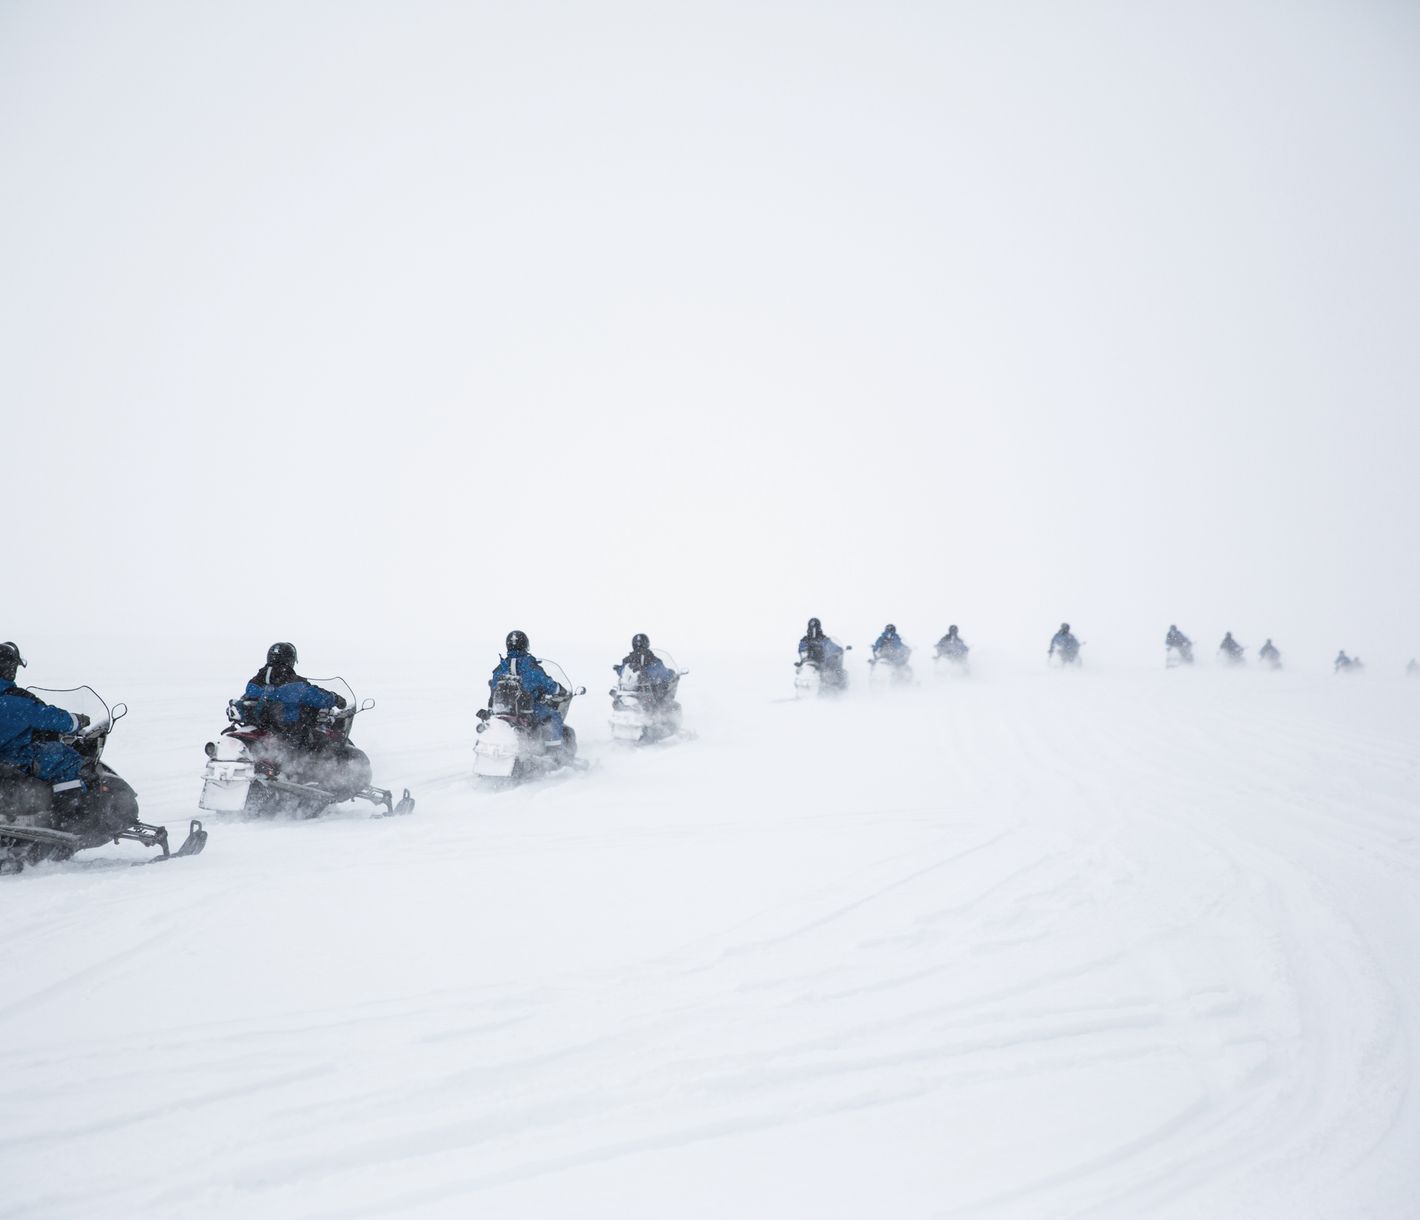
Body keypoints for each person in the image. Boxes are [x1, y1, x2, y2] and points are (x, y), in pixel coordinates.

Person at [0, 642, 90, 787]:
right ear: (8, 669)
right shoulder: (15, 700)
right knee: (65, 756)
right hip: (13, 757)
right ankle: (70, 806)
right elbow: (50, 717)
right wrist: (76, 721)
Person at [239, 642, 346, 748]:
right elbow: (317, 697)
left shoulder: (255, 681)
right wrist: (335, 698)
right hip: (288, 733)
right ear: (290, 659)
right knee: (322, 743)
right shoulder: (293, 682)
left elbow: (252, 696)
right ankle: (313, 764)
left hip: (264, 727)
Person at [489, 630, 567, 744]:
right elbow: (548, 685)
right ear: (525, 644)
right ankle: (554, 752)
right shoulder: (531, 667)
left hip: (504, 711)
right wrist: (559, 689)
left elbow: (494, 687)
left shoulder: (501, 668)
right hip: (528, 710)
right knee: (553, 716)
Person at [614, 634, 678, 707]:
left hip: (629, 689)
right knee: (661, 701)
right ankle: (659, 716)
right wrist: (671, 674)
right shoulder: (653, 659)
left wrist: (618, 668)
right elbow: (662, 673)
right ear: (647, 643)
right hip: (646, 691)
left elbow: (623, 671)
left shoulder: (628, 659)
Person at [798, 618, 847, 688]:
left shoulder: (804, 640)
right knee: (835, 672)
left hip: (808, 663)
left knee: (831, 672)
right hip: (819, 663)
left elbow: (801, 650)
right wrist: (840, 650)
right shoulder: (824, 639)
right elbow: (834, 647)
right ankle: (833, 687)